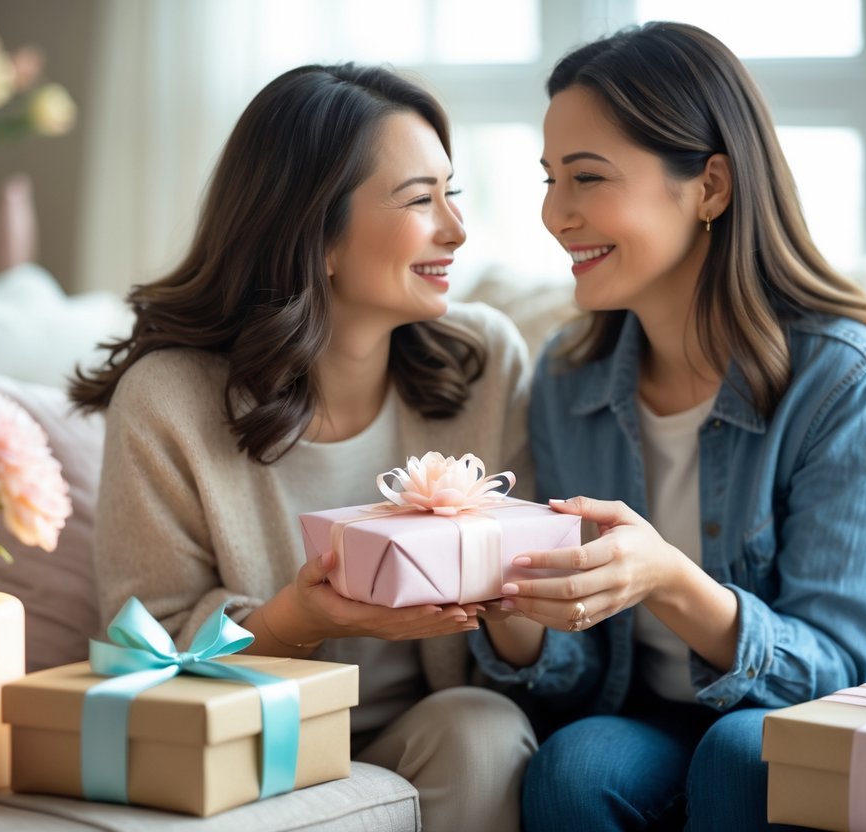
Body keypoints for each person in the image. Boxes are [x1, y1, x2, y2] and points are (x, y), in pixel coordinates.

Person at [466, 22, 866, 831]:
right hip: (645, 714)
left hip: (805, 715)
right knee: (575, 768)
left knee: (743, 751)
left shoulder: (847, 379)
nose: (555, 213)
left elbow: (835, 668)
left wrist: (669, 580)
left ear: (709, 186)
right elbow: (575, 679)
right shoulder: (566, 379)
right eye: (548, 179)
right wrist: (506, 614)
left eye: (587, 177)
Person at [71, 63, 536, 830]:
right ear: (314, 236)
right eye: (420, 200)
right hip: (247, 738)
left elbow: (533, 643)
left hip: (421, 731)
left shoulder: (483, 359)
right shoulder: (170, 401)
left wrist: (516, 592)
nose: (455, 229)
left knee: (478, 727)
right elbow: (147, 658)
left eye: (452, 193)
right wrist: (304, 615)